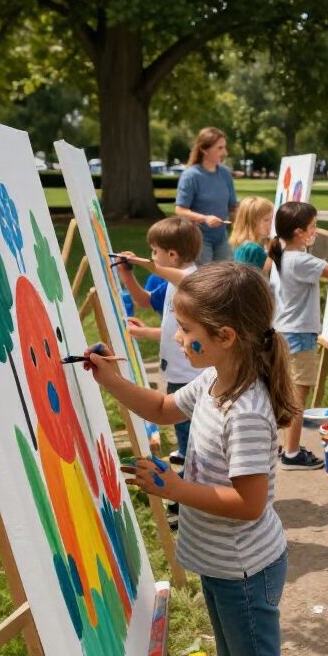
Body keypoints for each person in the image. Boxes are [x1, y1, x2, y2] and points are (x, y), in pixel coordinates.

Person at [86, 263, 304, 656]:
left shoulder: (246, 410)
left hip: (245, 570)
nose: (179, 340)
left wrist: (176, 488)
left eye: (188, 333)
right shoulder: (211, 380)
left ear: (225, 337)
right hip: (221, 563)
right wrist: (111, 381)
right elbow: (163, 408)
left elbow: (249, 503)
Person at [116, 218, 204, 471]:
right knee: (184, 430)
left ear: (173, 255)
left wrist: (144, 264)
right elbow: (145, 301)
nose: (151, 256)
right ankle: (191, 472)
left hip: (190, 373)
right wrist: (126, 274)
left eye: (155, 251)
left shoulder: (191, 279)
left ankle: (191, 487)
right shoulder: (171, 284)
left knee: (192, 435)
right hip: (178, 371)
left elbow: (174, 275)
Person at [269, 201, 328, 469]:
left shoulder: (284, 255)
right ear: (299, 232)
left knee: (286, 394)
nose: (316, 231)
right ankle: (291, 453)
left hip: (286, 332)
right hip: (299, 335)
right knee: (297, 398)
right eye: (313, 227)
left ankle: (284, 446)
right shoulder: (300, 259)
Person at [175, 126, 238, 264]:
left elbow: (233, 206)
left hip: (222, 238)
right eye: (220, 148)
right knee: (204, 282)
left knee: (224, 278)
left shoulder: (225, 173)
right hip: (199, 239)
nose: (225, 152)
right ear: (204, 149)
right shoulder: (191, 175)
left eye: (224, 147)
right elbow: (180, 210)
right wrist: (204, 218)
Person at [231, 196, 275, 275]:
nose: (271, 223)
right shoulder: (252, 248)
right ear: (252, 222)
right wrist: (274, 251)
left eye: (272, 219)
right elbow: (263, 272)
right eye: (266, 220)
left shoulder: (244, 243)